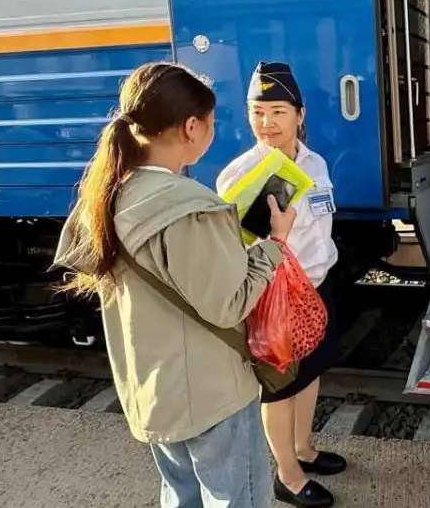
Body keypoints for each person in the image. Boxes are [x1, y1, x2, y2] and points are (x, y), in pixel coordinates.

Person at [54, 62, 297, 507]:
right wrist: (274, 242)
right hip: (211, 393)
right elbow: (230, 304)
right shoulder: (189, 209)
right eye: (210, 122)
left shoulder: (107, 196)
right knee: (235, 499)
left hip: (155, 389)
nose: (211, 130)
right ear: (191, 127)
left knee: (182, 497)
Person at [217, 62, 342, 508]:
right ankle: (286, 476)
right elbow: (235, 250)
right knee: (281, 387)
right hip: (276, 298)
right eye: (258, 112)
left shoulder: (316, 163)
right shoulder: (240, 177)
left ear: (300, 114)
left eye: (277, 111)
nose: (267, 123)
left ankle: (304, 449)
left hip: (317, 287)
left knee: (311, 376)